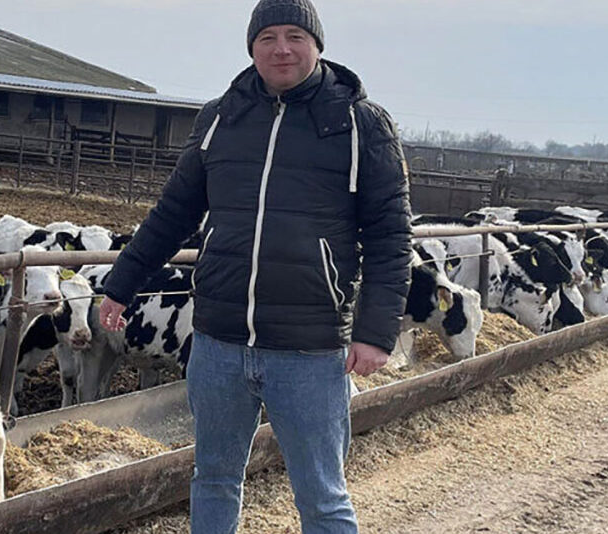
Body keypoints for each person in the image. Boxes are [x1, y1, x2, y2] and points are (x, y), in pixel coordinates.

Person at [98, 0, 412, 532]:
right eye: (268, 38)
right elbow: (174, 212)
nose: (281, 49)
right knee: (214, 477)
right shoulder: (222, 116)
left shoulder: (360, 124)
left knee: (322, 493)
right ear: (251, 47)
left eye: (295, 36)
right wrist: (121, 285)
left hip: (309, 348)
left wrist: (376, 333)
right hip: (219, 341)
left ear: (317, 45)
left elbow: (389, 236)